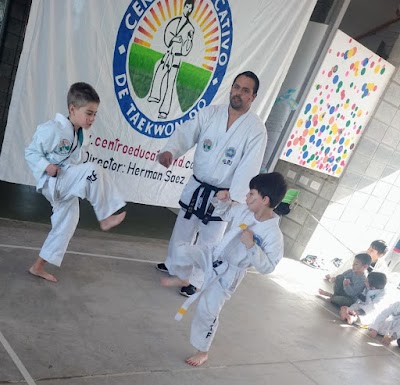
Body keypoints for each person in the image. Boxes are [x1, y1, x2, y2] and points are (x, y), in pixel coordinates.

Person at [156, 71, 267, 297]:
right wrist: (170, 150)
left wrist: (235, 196)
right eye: (236, 87)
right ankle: (175, 266)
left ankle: (196, 280)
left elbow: (250, 165)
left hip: (223, 195)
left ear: (253, 97)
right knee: (182, 230)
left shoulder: (256, 130)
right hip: (197, 186)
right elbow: (187, 132)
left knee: (210, 241)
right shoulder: (210, 113)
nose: (238, 93)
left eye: (245, 90)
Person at [160, 172, 287, 366]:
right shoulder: (244, 210)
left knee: (207, 311)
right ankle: (186, 278)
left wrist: (252, 247)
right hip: (215, 253)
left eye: (251, 194)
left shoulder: (273, 235)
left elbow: (268, 267)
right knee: (182, 250)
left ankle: (202, 351)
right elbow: (225, 212)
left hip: (230, 273)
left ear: (265, 199)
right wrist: (220, 200)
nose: (247, 197)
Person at [25, 82, 126, 282]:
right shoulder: (52, 129)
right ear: (73, 109)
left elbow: (75, 163)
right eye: (89, 113)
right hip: (53, 181)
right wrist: (46, 166)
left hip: (65, 182)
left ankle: (38, 266)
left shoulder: (80, 135)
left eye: (95, 114)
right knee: (93, 170)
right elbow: (31, 152)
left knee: (67, 223)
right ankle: (105, 216)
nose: (92, 119)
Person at [147, 0, 195, 119]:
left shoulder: (190, 28)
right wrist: (174, 39)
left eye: (190, 9)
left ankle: (164, 111)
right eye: (187, 7)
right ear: (184, 7)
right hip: (168, 54)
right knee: (159, 71)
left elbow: (186, 50)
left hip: (177, 57)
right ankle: (154, 96)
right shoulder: (175, 22)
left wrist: (188, 40)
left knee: (170, 84)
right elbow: (167, 36)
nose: (187, 10)